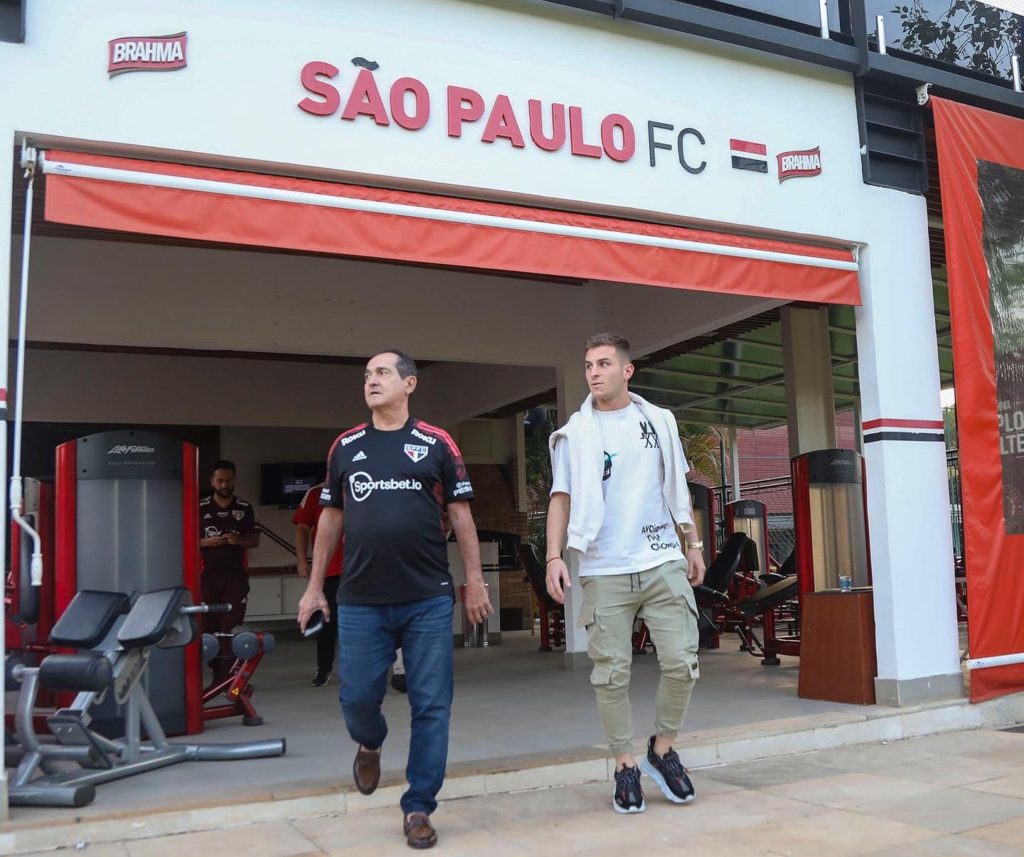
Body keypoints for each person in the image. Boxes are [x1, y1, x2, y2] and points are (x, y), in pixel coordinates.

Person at [297, 348, 492, 850]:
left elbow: (462, 517)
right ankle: (371, 740)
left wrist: (475, 581)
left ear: (410, 384)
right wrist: (315, 587)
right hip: (361, 601)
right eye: (367, 375)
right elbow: (330, 520)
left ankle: (419, 805)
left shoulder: (436, 444)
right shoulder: (346, 446)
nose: (371, 381)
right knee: (358, 696)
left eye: (382, 373)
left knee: (432, 705)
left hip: (427, 598)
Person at [545, 332, 707, 815]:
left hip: (661, 558)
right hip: (604, 565)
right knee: (610, 675)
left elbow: (674, 482)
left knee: (682, 661)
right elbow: (562, 497)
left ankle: (663, 750)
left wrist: (692, 543)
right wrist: (555, 556)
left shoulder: (658, 421)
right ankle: (624, 765)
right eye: (588, 365)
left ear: (626, 370)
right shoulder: (575, 434)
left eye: (603, 364)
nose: (593, 372)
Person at [199, 459, 260, 683]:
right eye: (220, 480)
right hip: (207, 577)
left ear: (234, 481)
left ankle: (227, 677)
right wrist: (205, 543)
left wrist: (238, 540)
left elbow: (254, 541)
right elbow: (184, 541)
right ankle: (215, 673)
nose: (224, 485)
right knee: (208, 627)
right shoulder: (200, 507)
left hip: (235, 576)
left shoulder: (244, 509)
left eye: (228, 480)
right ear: (212, 482)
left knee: (230, 626)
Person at [293, 482, 343, 687]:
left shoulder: (364, 483)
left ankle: (360, 671)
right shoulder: (315, 493)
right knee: (326, 623)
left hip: (360, 571)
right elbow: (302, 527)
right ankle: (324, 669)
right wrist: (302, 560)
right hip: (328, 571)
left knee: (361, 623)